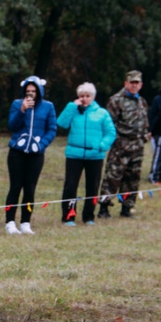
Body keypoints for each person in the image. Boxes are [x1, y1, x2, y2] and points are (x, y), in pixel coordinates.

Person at [56, 82, 116, 226]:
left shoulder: (102, 113)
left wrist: (101, 146)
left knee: (93, 186)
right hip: (74, 154)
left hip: (94, 155)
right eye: (82, 96)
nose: (84, 99)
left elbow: (110, 132)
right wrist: (72, 106)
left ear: (93, 97)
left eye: (87, 96)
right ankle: (68, 216)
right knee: (70, 186)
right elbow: (61, 123)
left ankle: (88, 216)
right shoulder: (74, 110)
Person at [4, 75, 57, 235]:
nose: (31, 94)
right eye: (28, 91)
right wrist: (22, 111)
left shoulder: (48, 107)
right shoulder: (16, 104)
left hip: (36, 155)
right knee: (15, 186)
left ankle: (26, 222)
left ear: (39, 91)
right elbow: (12, 126)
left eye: (34, 91)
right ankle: (10, 222)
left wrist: (41, 145)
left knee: (30, 188)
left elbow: (52, 129)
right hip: (16, 153)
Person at [98, 70, 150, 219]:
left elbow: (144, 123)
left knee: (133, 178)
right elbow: (109, 124)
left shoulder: (142, 102)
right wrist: (116, 140)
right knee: (113, 176)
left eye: (137, 83)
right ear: (126, 83)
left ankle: (127, 207)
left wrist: (145, 136)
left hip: (137, 146)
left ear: (141, 85)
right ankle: (104, 207)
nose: (134, 85)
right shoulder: (116, 100)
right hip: (121, 145)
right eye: (131, 82)